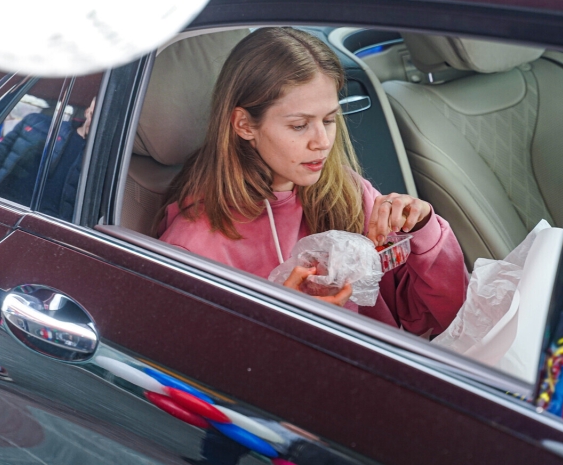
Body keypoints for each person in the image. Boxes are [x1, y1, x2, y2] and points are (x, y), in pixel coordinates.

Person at [157, 27, 467, 337]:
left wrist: (423, 231)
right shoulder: (194, 245)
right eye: (299, 125)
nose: (322, 142)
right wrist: (289, 325)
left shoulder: (346, 193)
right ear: (244, 125)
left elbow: (439, 318)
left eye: (329, 120)